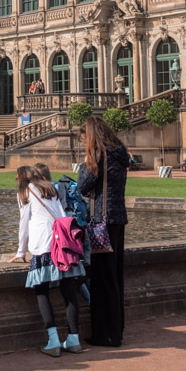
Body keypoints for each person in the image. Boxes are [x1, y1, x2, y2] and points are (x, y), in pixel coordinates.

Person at [8, 166, 85, 356]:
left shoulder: (25, 192)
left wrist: (20, 251)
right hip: (61, 243)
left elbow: (23, 224)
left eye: (16, 177)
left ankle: (53, 341)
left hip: (42, 245)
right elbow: (61, 215)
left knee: (41, 290)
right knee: (68, 290)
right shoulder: (50, 188)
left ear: (22, 178)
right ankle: (74, 339)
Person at [76, 116, 129, 346]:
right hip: (118, 220)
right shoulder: (120, 153)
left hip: (101, 222)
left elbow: (82, 186)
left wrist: (85, 162)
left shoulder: (99, 155)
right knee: (115, 277)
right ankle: (115, 331)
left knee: (101, 279)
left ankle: (104, 334)